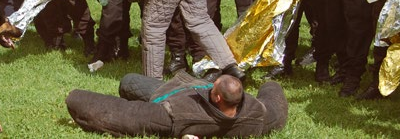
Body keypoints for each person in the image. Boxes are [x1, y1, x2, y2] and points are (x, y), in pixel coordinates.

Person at [65, 71, 288, 137]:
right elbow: (276, 103)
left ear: (218, 97)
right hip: (181, 89)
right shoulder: (258, 114)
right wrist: (270, 83)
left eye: (214, 87)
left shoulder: (180, 117)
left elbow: (125, 114)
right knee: (127, 84)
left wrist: (73, 97)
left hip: (166, 97)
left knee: (127, 82)